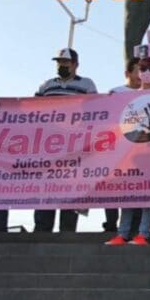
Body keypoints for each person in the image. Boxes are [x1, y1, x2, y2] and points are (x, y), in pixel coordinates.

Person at [33, 48, 98, 233]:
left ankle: (67, 232)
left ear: (75, 65)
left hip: (74, 147)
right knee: (46, 188)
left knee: (71, 189)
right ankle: (42, 229)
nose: (61, 65)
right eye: (59, 62)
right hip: (48, 147)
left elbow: (97, 110)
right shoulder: (46, 85)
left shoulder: (87, 84)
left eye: (65, 62)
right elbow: (33, 110)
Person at [105, 57, 150, 246]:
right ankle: (122, 233)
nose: (146, 72)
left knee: (149, 191)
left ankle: (143, 233)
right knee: (128, 191)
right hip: (130, 151)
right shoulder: (127, 96)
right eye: (143, 69)